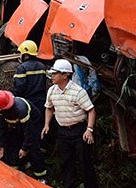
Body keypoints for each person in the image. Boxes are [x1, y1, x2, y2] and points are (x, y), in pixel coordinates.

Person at [41, 59, 98, 188]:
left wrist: (89, 129)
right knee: (66, 162)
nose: (52, 76)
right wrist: (47, 124)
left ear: (65, 75)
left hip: (79, 130)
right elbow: (49, 108)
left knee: (85, 162)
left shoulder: (78, 92)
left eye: (55, 73)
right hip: (63, 131)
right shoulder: (52, 91)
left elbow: (91, 110)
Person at [0, 90, 47, 183]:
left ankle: (41, 177)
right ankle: (17, 171)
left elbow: (28, 131)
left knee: (34, 149)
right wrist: (1, 144)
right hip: (18, 126)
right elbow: (2, 127)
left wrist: (25, 148)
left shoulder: (20, 109)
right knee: (13, 146)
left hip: (33, 124)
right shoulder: (1, 110)